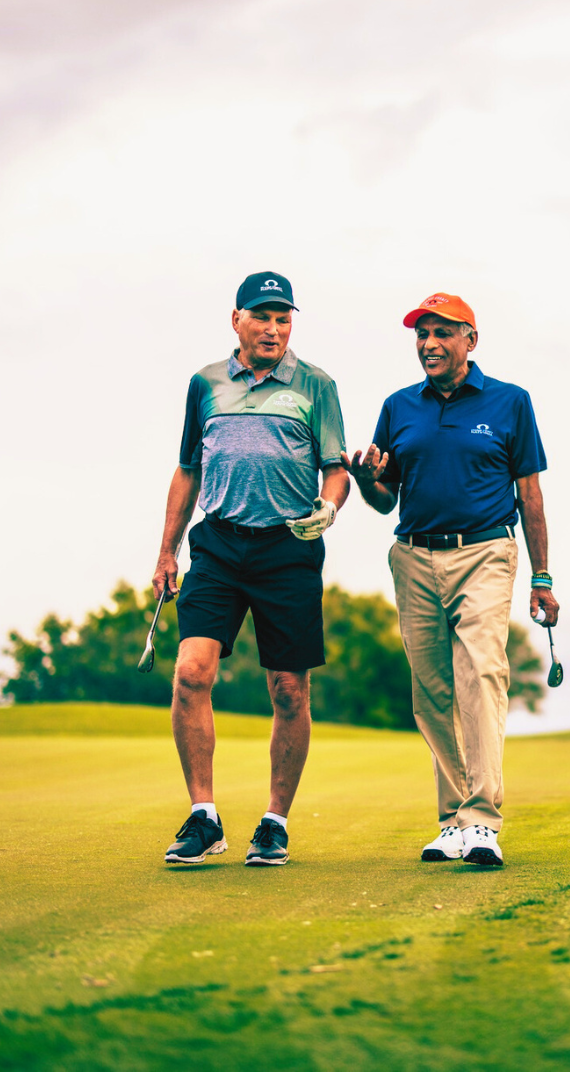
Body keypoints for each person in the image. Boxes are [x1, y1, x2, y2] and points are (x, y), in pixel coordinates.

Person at [345, 292, 559, 867]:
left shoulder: (510, 402)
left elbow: (530, 494)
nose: (429, 344)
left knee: (481, 674)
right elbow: (384, 500)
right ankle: (452, 821)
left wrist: (542, 576)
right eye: (422, 334)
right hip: (414, 556)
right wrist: (366, 478)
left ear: (471, 340)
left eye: (442, 333)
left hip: (485, 552)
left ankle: (482, 821)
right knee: (432, 692)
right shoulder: (399, 407)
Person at [153, 271, 349, 867]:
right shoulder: (205, 383)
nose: (273, 328)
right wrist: (167, 550)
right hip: (217, 546)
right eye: (261, 317)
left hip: (288, 549)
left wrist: (329, 506)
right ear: (236, 319)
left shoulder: (316, 384)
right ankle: (203, 816)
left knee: (288, 688)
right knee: (191, 672)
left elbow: (335, 468)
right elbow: (188, 468)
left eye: (283, 318)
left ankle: (274, 822)